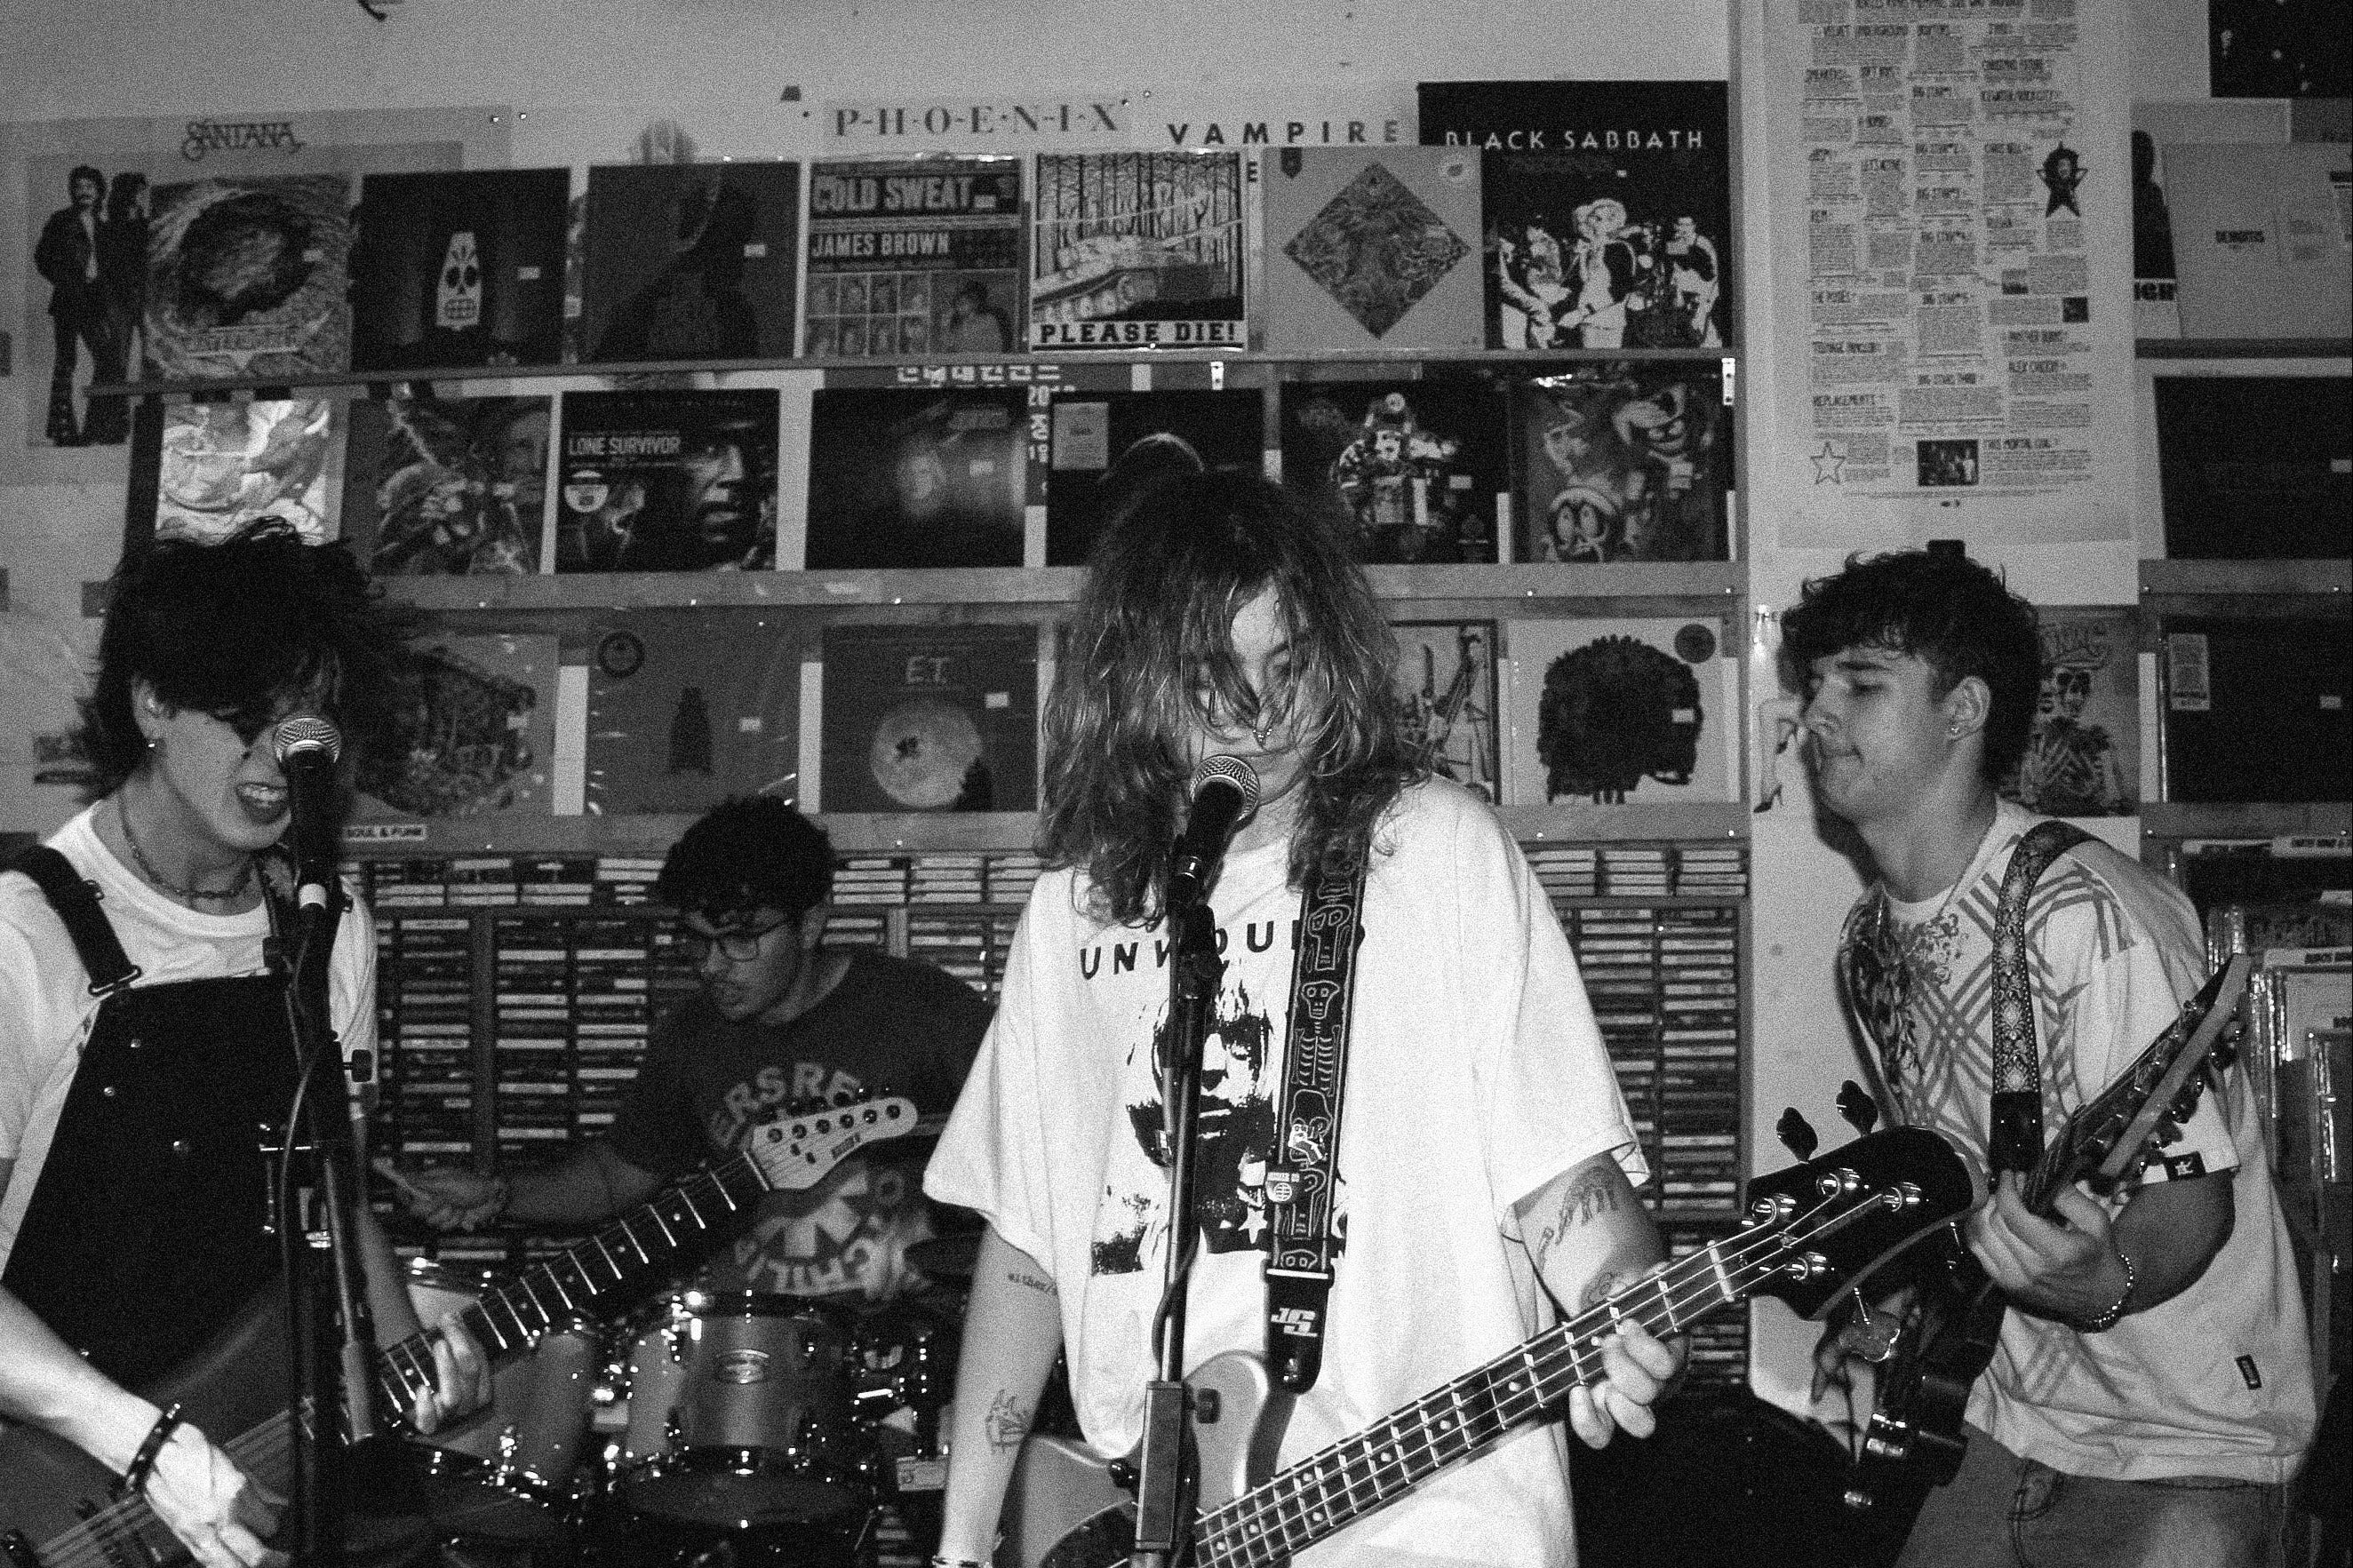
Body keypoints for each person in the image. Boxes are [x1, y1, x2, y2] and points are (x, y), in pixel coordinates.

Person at [924, 471, 1682, 1566]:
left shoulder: (1432, 852)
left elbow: (1562, 1170)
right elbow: (1030, 1247)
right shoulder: (1078, 910)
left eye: (1288, 668)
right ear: (1133, 683)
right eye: (1208, 677)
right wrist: (958, 1542)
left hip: (1435, 1527)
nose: (1260, 715)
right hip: (1153, 1519)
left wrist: (1619, 1297)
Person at [1783, 549, 2315, 1568]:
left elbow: (2188, 1207)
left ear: (1961, 708)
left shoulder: (2087, 916)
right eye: (1812, 684)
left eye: (1858, 683)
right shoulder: (1869, 940)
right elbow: (1967, 1181)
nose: (1813, 714)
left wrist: (2097, 1282)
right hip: (1999, 1415)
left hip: (2186, 1442)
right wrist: (1899, 1304)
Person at [0, 520, 488, 1568]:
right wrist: (139, 1441)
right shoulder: (24, 939)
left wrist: (405, 1372)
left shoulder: (324, 927)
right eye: (245, 717)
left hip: (264, 1468)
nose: (280, 757)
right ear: (152, 702)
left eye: (307, 722)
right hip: (47, 1494)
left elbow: (337, 1197)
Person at [396, 794, 992, 1302]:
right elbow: (614, 1178)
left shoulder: (920, 1007)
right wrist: (498, 1192)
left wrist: (939, 1227)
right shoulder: (692, 1034)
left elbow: (1041, 1143)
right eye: (697, 940)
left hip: (898, 1352)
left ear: (810, 924)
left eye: (738, 940)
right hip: (746, 1356)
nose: (711, 966)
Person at [33, 163, 120, 447]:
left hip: (95, 302)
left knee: (106, 358)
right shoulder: (60, 221)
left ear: (99, 192)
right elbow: (42, 258)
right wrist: (66, 281)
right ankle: (63, 431)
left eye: (89, 187)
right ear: (72, 191)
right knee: (65, 363)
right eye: (79, 187)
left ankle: (97, 428)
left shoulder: (104, 226)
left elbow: (108, 266)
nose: (84, 192)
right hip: (69, 301)